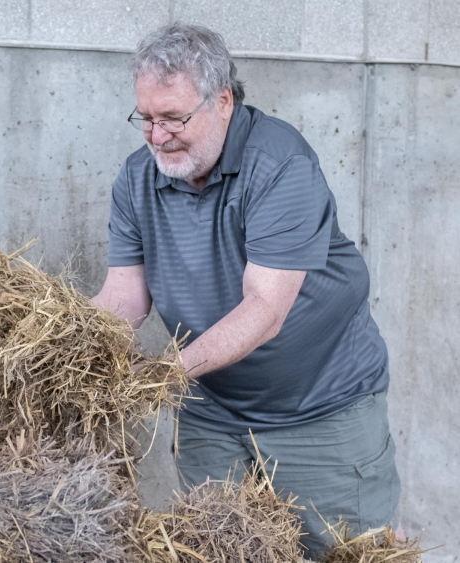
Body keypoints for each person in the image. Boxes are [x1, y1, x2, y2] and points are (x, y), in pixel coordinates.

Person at [91, 22, 401, 558]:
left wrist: (163, 374)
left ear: (223, 101)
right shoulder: (138, 178)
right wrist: (72, 348)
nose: (157, 135)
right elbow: (124, 298)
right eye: (146, 118)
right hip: (213, 411)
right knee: (217, 550)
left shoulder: (279, 164)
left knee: (343, 553)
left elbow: (265, 309)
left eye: (173, 118)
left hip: (321, 411)